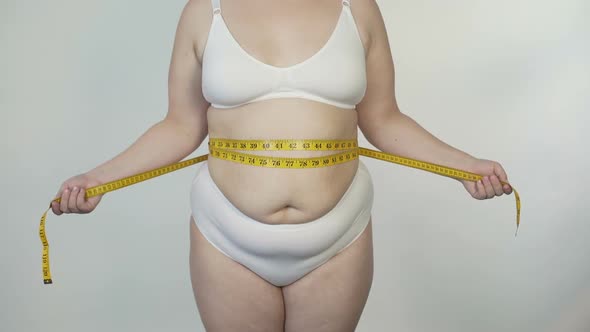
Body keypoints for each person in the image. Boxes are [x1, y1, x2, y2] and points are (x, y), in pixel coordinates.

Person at [50, 0, 513, 331]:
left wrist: (464, 165)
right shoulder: (203, 12)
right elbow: (179, 125)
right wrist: (98, 179)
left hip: (338, 234)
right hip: (227, 234)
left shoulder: (359, 9)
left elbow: (383, 118)